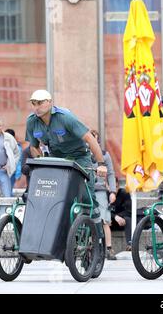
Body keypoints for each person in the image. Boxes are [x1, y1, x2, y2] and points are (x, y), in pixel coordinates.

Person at [25, 90, 107, 235]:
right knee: (53, 195)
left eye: (40, 103)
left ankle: (98, 238)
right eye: (33, 103)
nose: (36, 106)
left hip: (79, 157)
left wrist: (101, 164)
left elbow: (89, 138)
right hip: (57, 159)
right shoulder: (31, 121)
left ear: (49, 102)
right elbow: (33, 146)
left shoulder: (65, 117)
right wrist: (40, 162)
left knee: (87, 197)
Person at [90, 130, 117, 260]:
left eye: (94, 140)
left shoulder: (105, 155)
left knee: (105, 220)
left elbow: (111, 174)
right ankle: (88, 247)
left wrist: (112, 191)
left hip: (100, 190)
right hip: (86, 189)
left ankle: (109, 248)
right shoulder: (82, 155)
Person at [110, 186, 132, 251]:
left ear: (118, 186)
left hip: (121, 222)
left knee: (128, 219)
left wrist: (118, 216)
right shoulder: (104, 194)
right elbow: (102, 212)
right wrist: (115, 217)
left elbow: (129, 211)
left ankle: (130, 244)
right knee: (103, 221)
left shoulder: (124, 193)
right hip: (109, 222)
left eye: (116, 186)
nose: (114, 189)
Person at [4, 128, 23, 195]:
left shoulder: (18, 148)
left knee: (8, 191)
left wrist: (18, 174)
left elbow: (19, 162)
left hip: (12, 172)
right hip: (1, 171)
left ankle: (9, 203)